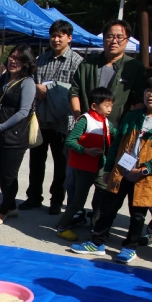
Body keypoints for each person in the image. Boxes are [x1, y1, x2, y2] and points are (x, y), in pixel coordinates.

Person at [71, 77, 152, 263]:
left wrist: (144, 170)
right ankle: (97, 242)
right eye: (148, 90)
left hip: (144, 177)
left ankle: (130, 247)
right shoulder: (132, 117)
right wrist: (108, 168)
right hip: (122, 171)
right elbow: (116, 145)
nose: (151, 95)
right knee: (108, 207)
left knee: (137, 215)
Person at [21, 20, 82, 216]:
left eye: (60, 36)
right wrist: (35, 88)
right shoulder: (41, 59)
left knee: (61, 165)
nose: (56, 39)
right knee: (36, 161)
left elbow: (77, 91)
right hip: (41, 119)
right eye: (53, 36)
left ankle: (56, 200)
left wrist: (52, 91)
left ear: (69, 38)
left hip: (64, 122)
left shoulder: (77, 62)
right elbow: (30, 82)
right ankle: (33, 196)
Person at [0, 46, 37, 226]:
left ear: (26, 62)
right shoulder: (3, 78)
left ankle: (3, 209)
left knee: (9, 175)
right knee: (0, 173)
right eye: (11, 57)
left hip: (15, 135)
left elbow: (23, 112)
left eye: (18, 58)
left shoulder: (27, 82)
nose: (13, 61)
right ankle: (11, 205)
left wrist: (0, 127)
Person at [57, 86, 115, 239]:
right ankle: (62, 227)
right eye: (107, 105)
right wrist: (86, 150)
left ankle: (96, 227)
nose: (110, 109)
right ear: (94, 106)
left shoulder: (106, 122)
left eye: (111, 106)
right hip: (84, 168)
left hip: (99, 167)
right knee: (78, 200)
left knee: (103, 195)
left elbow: (117, 135)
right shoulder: (85, 120)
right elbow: (69, 141)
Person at [69, 19, 148, 126]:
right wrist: (78, 118)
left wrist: (131, 127)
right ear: (104, 38)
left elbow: (139, 100)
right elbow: (74, 92)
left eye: (120, 37)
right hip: (87, 127)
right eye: (110, 36)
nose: (114, 41)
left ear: (127, 40)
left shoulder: (134, 67)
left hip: (118, 128)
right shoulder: (87, 64)